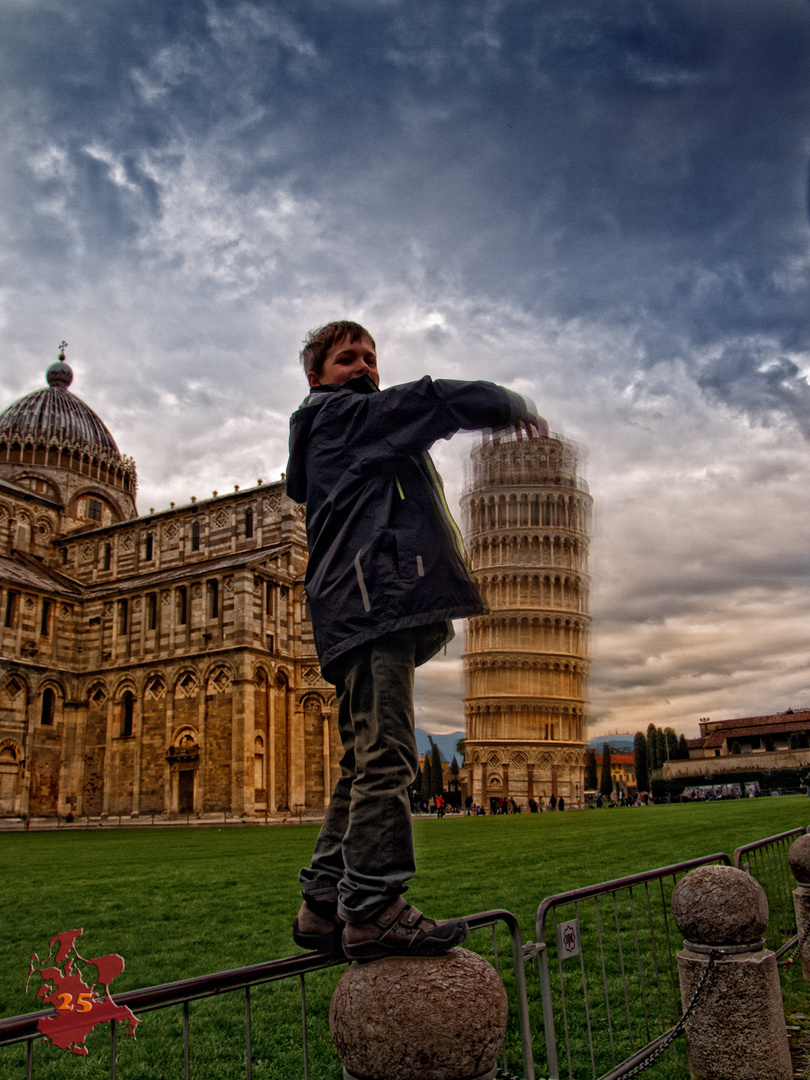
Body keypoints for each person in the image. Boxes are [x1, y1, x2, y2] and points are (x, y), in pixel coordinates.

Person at [286, 320, 542, 960]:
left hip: (356, 610)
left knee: (363, 759)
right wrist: (510, 404)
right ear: (317, 378)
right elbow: (430, 399)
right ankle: (374, 907)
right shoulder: (345, 417)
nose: (365, 367)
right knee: (390, 757)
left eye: (371, 357)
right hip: (372, 606)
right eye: (348, 359)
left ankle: (322, 904)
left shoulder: (342, 429)